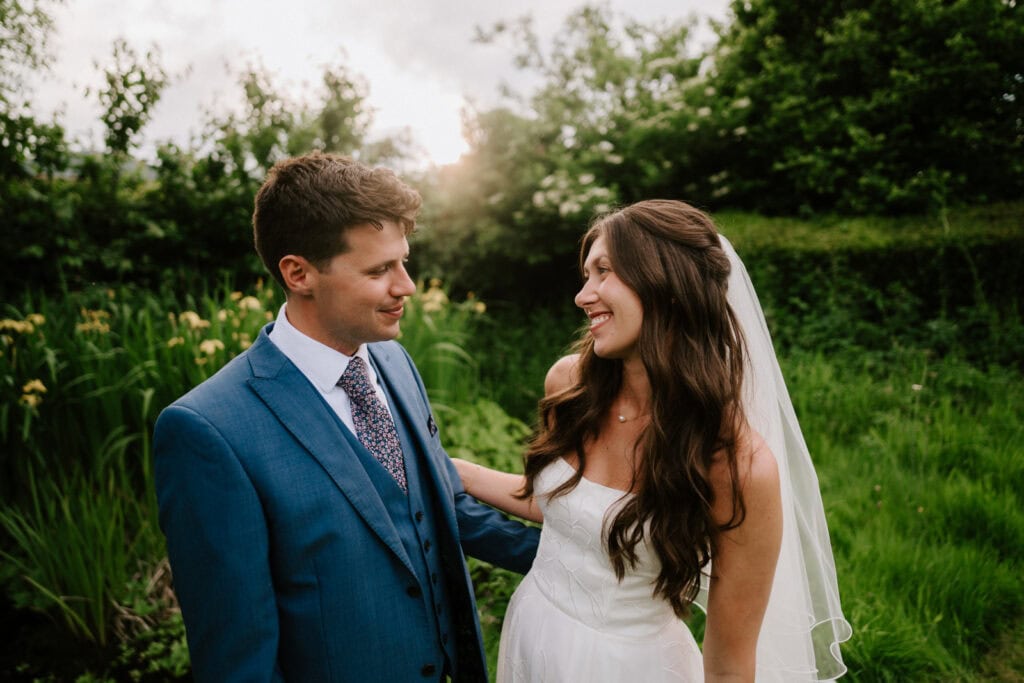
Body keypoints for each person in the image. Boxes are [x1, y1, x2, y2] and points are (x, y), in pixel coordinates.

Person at [153, 151, 540, 683]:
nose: (405, 285)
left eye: (403, 261)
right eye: (380, 269)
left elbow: (435, 509)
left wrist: (585, 556)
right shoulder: (208, 431)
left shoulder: (393, 361)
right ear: (299, 273)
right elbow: (238, 661)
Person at [454, 200, 851, 682]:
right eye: (585, 275)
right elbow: (566, 509)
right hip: (533, 634)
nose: (583, 295)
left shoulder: (735, 465)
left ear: (668, 286)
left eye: (604, 271)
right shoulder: (569, 386)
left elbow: (729, 665)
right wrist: (456, 471)